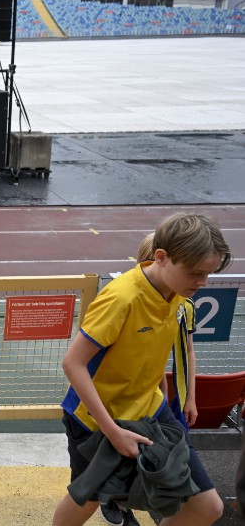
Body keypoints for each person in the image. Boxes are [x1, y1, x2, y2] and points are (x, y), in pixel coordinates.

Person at [54, 213, 231, 526]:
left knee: (208, 507)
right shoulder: (122, 297)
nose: (202, 282)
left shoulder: (179, 294)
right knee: (86, 499)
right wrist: (113, 431)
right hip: (97, 418)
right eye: (195, 273)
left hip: (151, 409)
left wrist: (178, 396)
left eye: (208, 273)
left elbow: (156, 355)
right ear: (161, 257)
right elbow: (73, 362)